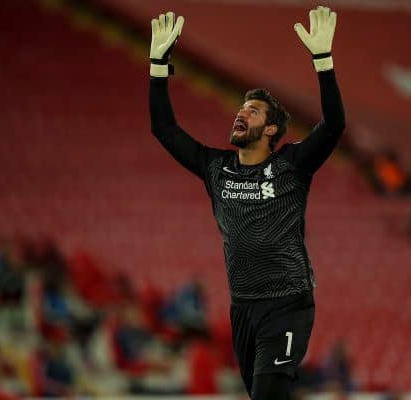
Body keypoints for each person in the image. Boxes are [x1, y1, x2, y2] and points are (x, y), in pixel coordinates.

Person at [148, 6, 345, 399]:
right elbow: (164, 128)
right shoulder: (215, 167)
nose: (241, 112)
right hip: (243, 310)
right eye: (241, 108)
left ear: (271, 129)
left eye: (252, 111)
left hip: (288, 304)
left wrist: (323, 62)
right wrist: (158, 64)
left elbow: (334, 125)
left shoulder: (292, 165)